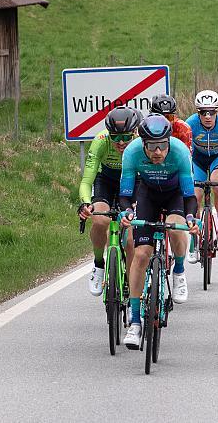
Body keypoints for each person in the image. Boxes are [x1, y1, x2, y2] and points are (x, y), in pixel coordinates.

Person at [118, 114, 199, 348]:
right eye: (152, 147)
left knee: (176, 228)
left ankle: (180, 272)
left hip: (175, 196)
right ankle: (135, 322)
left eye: (162, 146)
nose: (157, 152)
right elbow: (125, 194)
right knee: (141, 254)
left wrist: (192, 218)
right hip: (148, 195)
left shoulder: (180, 152)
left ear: (169, 141)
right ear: (143, 143)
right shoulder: (132, 152)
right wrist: (127, 213)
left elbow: (189, 196)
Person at [77, 106, 140, 296]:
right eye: (116, 137)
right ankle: (98, 264)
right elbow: (87, 180)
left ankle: (131, 281)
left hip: (132, 181)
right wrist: (86, 203)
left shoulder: (140, 142)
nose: (121, 142)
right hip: (106, 180)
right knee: (99, 219)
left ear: (134, 133)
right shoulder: (100, 141)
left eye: (126, 137)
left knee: (129, 238)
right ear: (109, 134)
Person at [185, 90, 218, 255]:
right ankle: (194, 240)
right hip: (197, 159)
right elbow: (183, 153)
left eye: (212, 112)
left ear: (217, 111)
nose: (208, 116)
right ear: (197, 112)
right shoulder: (190, 124)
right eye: (203, 112)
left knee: (217, 184)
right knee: (196, 194)